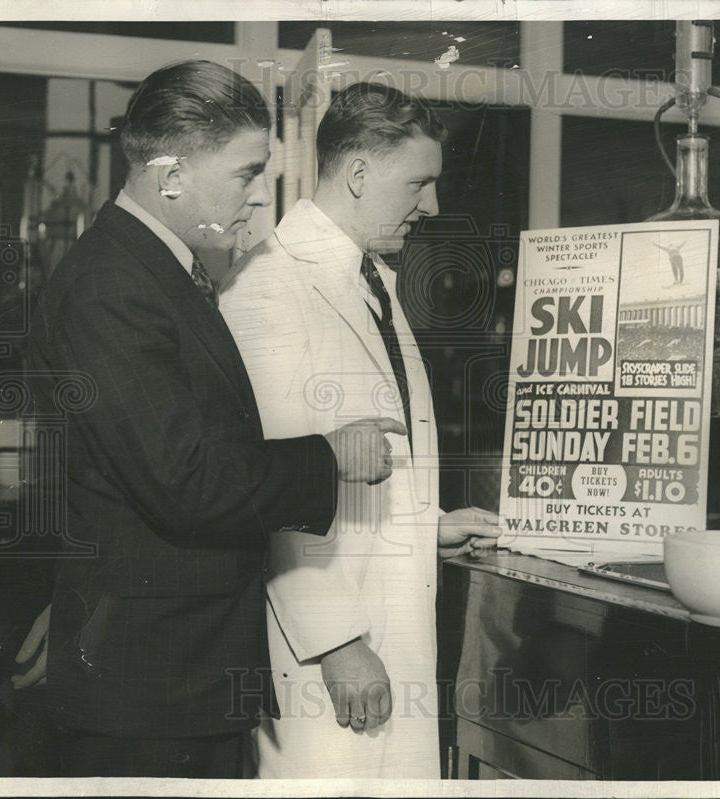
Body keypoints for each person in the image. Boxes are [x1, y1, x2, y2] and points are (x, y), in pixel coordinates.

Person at [17, 61, 403, 778]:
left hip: (179, 678)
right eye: (247, 172)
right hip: (150, 694)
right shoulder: (112, 288)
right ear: (169, 177)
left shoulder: (159, 273)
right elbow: (187, 481)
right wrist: (333, 454)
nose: (261, 196)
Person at [218, 82, 500, 779]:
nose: (431, 205)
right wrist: (337, 641)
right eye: (420, 182)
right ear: (360, 173)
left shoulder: (369, 278)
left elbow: (352, 461)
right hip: (332, 656)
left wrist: (424, 523)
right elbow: (271, 484)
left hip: (386, 628)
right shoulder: (271, 286)